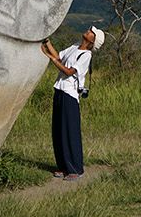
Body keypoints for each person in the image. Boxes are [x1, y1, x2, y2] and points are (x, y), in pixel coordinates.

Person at [42, 26, 103, 180]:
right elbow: (59, 56)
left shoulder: (86, 55)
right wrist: (47, 42)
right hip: (59, 89)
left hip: (69, 94)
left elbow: (69, 71)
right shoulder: (75, 46)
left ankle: (75, 169)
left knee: (70, 131)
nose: (89, 31)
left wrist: (50, 58)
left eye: (92, 32)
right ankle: (63, 167)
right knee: (58, 130)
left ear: (92, 41)